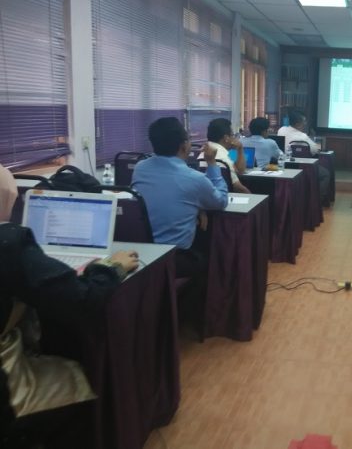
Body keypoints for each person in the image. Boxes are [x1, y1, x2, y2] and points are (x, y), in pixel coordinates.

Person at [0, 163, 139, 444]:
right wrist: (111, 268)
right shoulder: (9, 245)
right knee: (76, 376)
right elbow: (83, 300)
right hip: (7, 390)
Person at [132, 117, 228, 277]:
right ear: (184, 145)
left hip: (142, 252)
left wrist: (197, 207)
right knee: (208, 254)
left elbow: (164, 196)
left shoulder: (140, 168)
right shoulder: (194, 179)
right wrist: (211, 163)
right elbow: (221, 201)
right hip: (172, 258)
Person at [278, 111, 331, 204]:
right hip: (303, 167)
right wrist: (317, 142)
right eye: (304, 121)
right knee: (325, 174)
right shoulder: (302, 136)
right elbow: (316, 150)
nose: (305, 123)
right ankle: (317, 201)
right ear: (297, 124)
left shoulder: (281, 130)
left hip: (285, 165)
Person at [202, 118, 251, 194]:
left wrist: (240, 149)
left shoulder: (202, 153)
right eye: (232, 135)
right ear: (226, 138)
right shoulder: (223, 158)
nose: (234, 138)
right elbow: (238, 188)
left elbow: (239, 170)